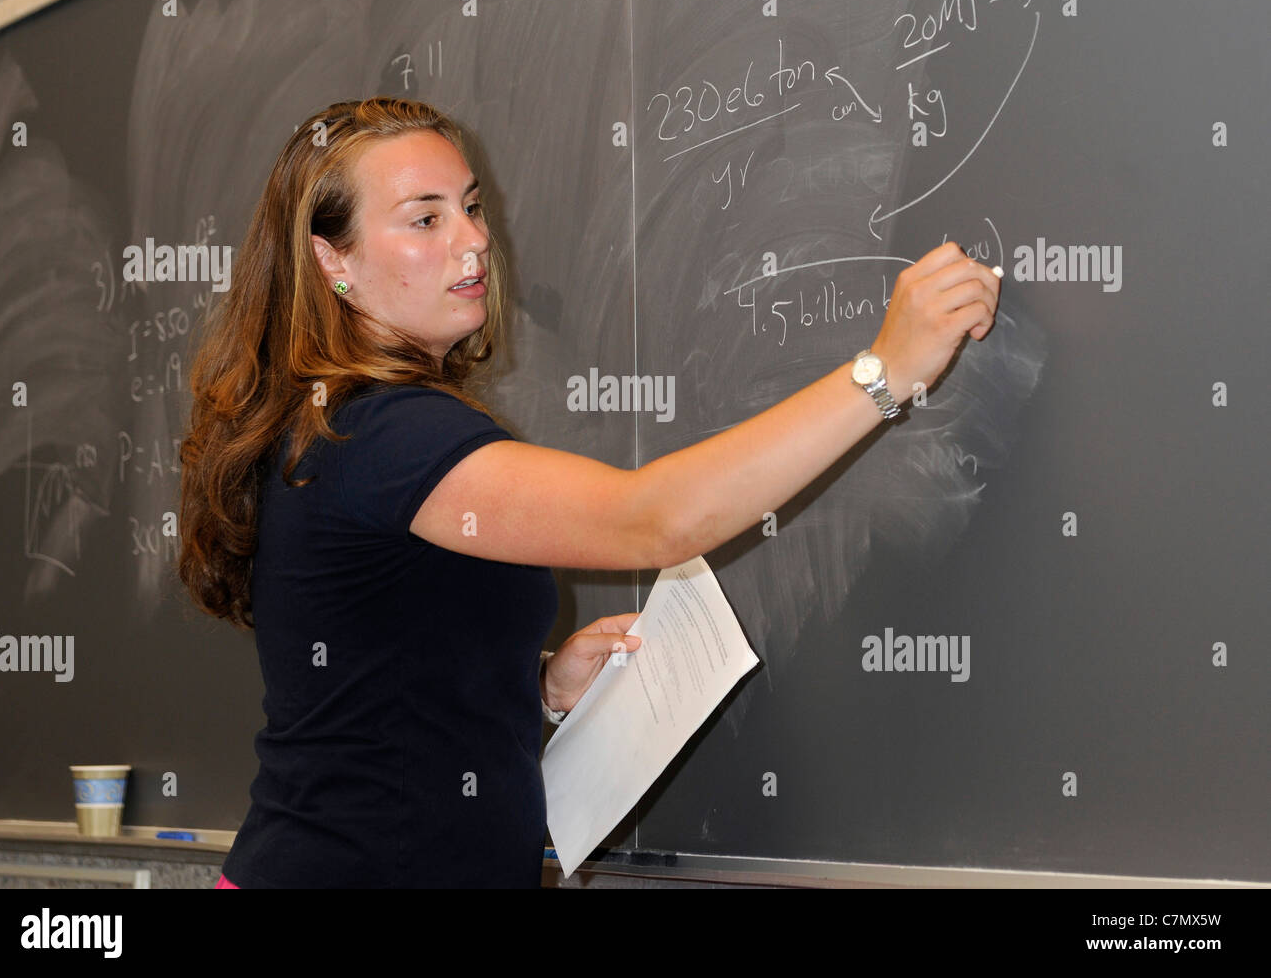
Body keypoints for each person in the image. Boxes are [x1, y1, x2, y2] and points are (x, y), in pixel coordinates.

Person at [178, 97, 999, 889]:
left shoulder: (341, 424)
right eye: (426, 219)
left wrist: (526, 680)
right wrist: (885, 372)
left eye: (470, 207)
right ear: (334, 260)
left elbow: (376, 661)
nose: (472, 241)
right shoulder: (381, 433)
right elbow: (655, 521)